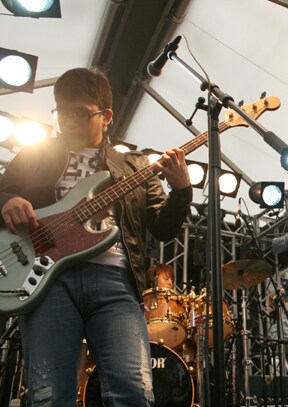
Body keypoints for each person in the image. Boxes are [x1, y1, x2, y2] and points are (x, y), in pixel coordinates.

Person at [0, 68, 192, 406]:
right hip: (47, 281)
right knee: (48, 397)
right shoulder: (35, 154)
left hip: (114, 283)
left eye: (81, 113)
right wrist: (8, 199)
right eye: (62, 111)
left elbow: (164, 228)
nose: (69, 121)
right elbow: (3, 190)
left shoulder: (134, 166)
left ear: (106, 116)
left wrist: (181, 191)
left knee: (133, 393)